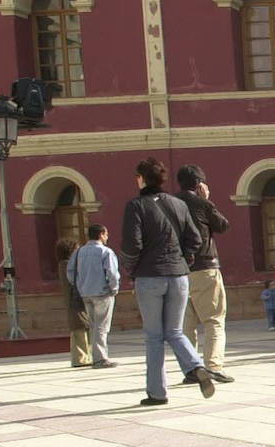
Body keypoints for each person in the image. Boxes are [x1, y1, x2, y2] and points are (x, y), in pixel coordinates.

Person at [119, 157, 217, 406]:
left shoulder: (136, 206)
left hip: (150, 276)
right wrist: (183, 258)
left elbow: (132, 244)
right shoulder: (178, 204)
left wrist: (132, 266)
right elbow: (195, 239)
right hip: (179, 275)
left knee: (154, 336)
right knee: (174, 330)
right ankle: (196, 366)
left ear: (141, 179)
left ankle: (157, 392)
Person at [176, 165, 234, 384]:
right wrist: (208, 200)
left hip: (178, 272)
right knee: (214, 320)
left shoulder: (170, 204)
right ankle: (213, 366)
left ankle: (191, 369)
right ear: (200, 184)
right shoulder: (201, 203)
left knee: (186, 324)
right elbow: (223, 225)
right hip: (205, 268)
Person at [65, 224, 120, 368]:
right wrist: (114, 289)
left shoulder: (78, 252)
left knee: (94, 325)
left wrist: (79, 285)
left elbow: (70, 272)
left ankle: (97, 356)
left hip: (85, 293)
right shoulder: (105, 252)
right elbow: (112, 273)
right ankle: (100, 358)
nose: (107, 237)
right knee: (102, 326)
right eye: (106, 234)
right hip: (102, 293)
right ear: (101, 234)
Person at [55, 237, 91, 368]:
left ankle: (85, 356)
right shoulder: (67, 265)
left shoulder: (65, 264)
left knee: (82, 328)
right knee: (79, 329)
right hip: (74, 301)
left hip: (74, 300)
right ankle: (80, 358)